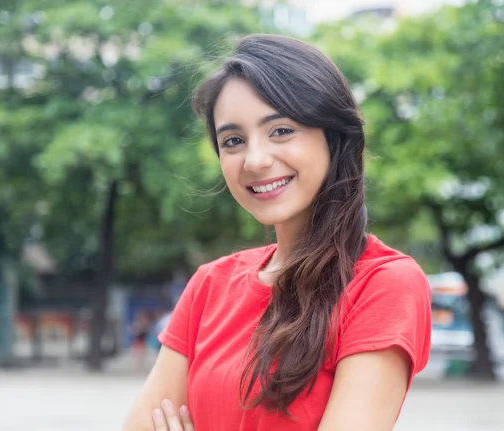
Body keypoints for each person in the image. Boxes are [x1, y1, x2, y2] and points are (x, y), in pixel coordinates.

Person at [121, 34, 431, 431]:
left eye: (281, 130)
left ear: (333, 137)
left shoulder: (383, 284)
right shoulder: (209, 285)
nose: (255, 159)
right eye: (232, 141)